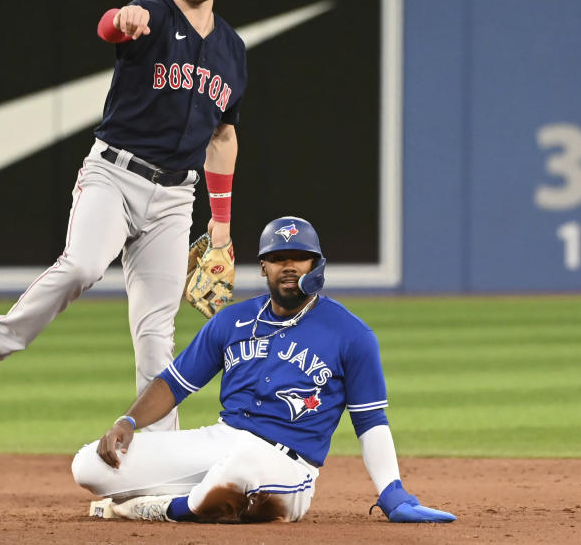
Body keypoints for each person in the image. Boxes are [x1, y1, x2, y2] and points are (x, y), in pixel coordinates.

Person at [0, 0, 246, 433]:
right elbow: (110, 29)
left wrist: (222, 227)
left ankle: (155, 462)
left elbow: (223, 139)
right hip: (115, 175)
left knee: (156, 336)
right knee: (81, 267)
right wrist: (123, 18)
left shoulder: (233, 51)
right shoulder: (151, 14)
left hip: (174, 200)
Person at [70, 216, 457, 524]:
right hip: (222, 443)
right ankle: (199, 500)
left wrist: (392, 493)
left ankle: (140, 509)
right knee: (90, 465)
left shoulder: (352, 335)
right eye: (278, 257)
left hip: (288, 467)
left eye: (299, 256)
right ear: (263, 267)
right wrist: (128, 422)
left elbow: (370, 420)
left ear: (316, 264)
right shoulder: (231, 321)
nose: (288, 266)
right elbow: (174, 384)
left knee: (237, 469)